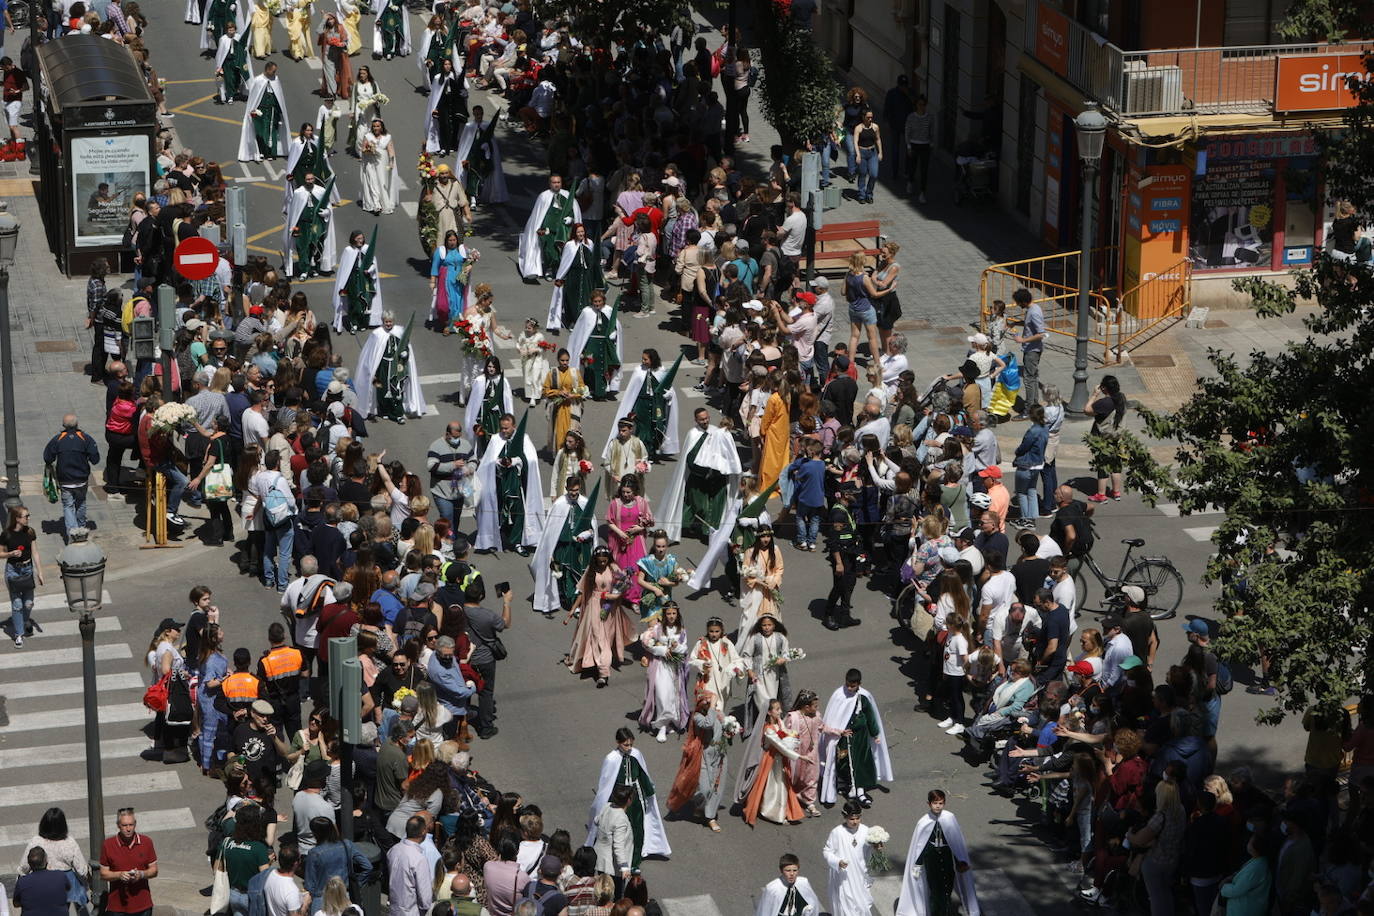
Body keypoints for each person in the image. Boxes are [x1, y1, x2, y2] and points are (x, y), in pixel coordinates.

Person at [585, 729, 672, 869]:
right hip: (619, 798)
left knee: (637, 829)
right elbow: (606, 781)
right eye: (626, 744)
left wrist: (649, 791)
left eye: (631, 744)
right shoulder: (611, 758)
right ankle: (620, 858)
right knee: (620, 830)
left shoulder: (636, 754)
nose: (629, 747)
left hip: (636, 798)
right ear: (618, 743)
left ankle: (635, 861)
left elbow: (643, 774)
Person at [659, 408, 741, 542]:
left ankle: (707, 530)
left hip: (714, 478)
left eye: (707, 418)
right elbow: (689, 458)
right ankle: (688, 525)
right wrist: (702, 472)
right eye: (702, 419)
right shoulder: (693, 434)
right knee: (698, 505)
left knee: (713, 506)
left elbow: (723, 452)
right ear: (696, 420)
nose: (705, 421)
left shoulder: (715, 431)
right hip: (698, 478)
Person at [895, 790, 979, 916]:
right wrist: (918, 863)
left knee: (946, 890)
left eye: (941, 803)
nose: (938, 806)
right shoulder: (923, 822)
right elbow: (921, 845)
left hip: (946, 859)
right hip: (932, 861)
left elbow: (955, 844)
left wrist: (959, 861)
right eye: (935, 803)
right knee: (935, 892)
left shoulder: (949, 818)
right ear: (929, 803)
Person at [819, 669, 892, 807]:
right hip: (844, 737)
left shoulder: (863, 696)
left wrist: (875, 733)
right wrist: (839, 732)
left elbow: (870, 716)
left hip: (860, 737)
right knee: (844, 760)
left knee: (860, 762)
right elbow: (834, 716)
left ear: (859, 684)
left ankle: (860, 790)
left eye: (853, 686)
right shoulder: (839, 695)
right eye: (847, 685)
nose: (849, 688)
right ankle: (844, 783)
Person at [473, 413, 543, 556]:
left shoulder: (523, 439)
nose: (503, 431)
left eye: (506, 428)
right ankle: (497, 537)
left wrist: (516, 461)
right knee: (499, 511)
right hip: (499, 483)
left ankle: (517, 542)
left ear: (514, 426)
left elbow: (531, 461)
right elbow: (487, 461)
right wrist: (498, 463)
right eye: (502, 428)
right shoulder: (495, 439)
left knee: (518, 513)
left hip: (517, 485)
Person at [565, 546, 635, 688]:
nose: (603, 564)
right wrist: (573, 609)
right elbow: (583, 592)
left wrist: (616, 595)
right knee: (599, 638)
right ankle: (603, 674)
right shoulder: (590, 571)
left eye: (605, 561)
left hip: (611, 608)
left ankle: (600, 662)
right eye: (600, 562)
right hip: (595, 606)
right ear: (595, 560)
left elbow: (624, 584)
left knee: (607, 638)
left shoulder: (613, 567)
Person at [667, 688, 731, 832]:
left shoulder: (718, 713)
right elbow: (707, 723)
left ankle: (710, 817)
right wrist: (713, 707)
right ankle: (698, 802)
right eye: (706, 701)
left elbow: (723, 728)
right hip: (704, 754)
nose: (709, 703)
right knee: (704, 787)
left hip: (719, 754)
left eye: (710, 700)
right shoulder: (697, 716)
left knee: (716, 787)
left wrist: (729, 731)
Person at [735, 697, 804, 825]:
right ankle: (772, 812)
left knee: (782, 784)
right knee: (774, 785)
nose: (780, 711)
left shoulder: (778, 722)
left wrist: (792, 735)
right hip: (771, 760)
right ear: (769, 712)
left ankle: (781, 810)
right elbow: (780, 745)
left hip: (780, 759)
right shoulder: (768, 729)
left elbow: (785, 733)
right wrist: (800, 757)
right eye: (777, 709)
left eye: (779, 708)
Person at [530, 477, 594, 616]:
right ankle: (570, 601)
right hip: (563, 547)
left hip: (579, 548)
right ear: (566, 489)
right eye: (571, 490)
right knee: (564, 576)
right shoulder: (559, 504)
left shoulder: (584, 503)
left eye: (576, 490)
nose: (574, 493)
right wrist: (550, 550)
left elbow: (591, 526)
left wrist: (587, 534)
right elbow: (550, 530)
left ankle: (576, 603)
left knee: (577, 576)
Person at [608, 349, 680, 462]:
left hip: (656, 405)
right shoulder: (639, 370)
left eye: (646, 359)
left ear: (653, 359)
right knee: (643, 430)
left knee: (654, 429)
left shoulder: (661, 371)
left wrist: (669, 394)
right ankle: (642, 454)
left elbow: (668, 387)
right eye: (642, 359)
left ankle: (651, 452)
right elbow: (632, 391)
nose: (643, 361)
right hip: (641, 404)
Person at [355, 311, 427, 423]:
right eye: (386, 322)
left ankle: (397, 414)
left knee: (396, 389)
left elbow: (405, 345)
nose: (388, 324)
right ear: (383, 321)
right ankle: (384, 411)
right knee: (382, 389)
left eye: (390, 321)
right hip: (383, 366)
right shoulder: (377, 334)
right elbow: (372, 352)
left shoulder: (399, 331)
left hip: (396, 366)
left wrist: (405, 353)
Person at [43, 414, 101, 539]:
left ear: (63, 425)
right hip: (81, 480)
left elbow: (47, 457)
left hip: (65, 480)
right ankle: (81, 528)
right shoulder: (86, 438)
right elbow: (95, 459)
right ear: (77, 424)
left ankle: (73, 534)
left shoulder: (58, 439)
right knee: (81, 503)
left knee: (68, 506)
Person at [519, 174, 582, 281]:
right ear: (550, 184)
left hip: (562, 230)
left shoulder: (567, 195)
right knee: (549, 250)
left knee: (561, 250)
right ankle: (548, 269)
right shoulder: (544, 196)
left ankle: (559, 269)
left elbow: (573, 211)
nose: (556, 185)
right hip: (547, 230)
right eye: (554, 182)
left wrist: (571, 219)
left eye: (558, 182)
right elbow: (538, 215)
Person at [822, 801, 878, 916]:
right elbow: (827, 851)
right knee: (846, 905)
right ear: (844, 817)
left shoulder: (866, 831)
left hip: (860, 874)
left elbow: (870, 850)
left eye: (857, 818)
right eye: (852, 819)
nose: (855, 822)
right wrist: (837, 862)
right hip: (844, 877)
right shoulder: (837, 832)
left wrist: (877, 847)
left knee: (860, 904)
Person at [99, 808, 159, 916]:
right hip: (117, 907)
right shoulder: (108, 845)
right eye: (124, 825)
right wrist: (119, 875)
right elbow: (103, 873)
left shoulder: (146, 842)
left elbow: (154, 870)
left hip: (143, 906)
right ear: (118, 825)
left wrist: (141, 874)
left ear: (135, 824)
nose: (128, 829)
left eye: (131, 825)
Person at [566, 290, 621, 403]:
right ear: (591, 301)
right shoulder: (587, 312)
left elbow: (615, 325)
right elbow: (580, 330)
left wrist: (613, 334)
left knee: (603, 367)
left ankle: (601, 391)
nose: (597, 304)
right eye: (595, 301)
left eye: (599, 301)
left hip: (605, 344)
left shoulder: (609, 310)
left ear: (603, 301)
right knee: (590, 367)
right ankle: (589, 389)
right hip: (591, 343)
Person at [548, 224, 604, 332]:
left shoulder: (589, 243)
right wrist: (560, 277)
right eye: (578, 232)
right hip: (573, 277)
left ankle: (585, 321)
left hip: (586, 277)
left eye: (582, 232)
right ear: (574, 233)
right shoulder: (570, 245)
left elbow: (593, 260)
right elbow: (565, 262)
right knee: (572, 300)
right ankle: (573, 321)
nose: (581, 234)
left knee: (585, 299)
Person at [1, 504, 42, 647]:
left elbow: (35, 552)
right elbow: (0, 553)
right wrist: (10, 554)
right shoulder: (6, 534)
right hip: (13, 571)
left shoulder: (30, 532)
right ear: (17, 519)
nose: (29, 518)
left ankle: (25, 620)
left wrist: (40, 572)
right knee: (17, 604)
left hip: (28, 570)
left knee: (28, 603)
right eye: (26, 516)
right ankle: (19, 634)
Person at [284, 172, 337, 279]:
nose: (310, 181)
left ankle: (313, 267)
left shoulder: (320, 191)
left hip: (316, 224)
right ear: (304, 180)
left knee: (316, 246)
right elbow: (294, 211)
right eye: (308, 179)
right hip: (303, 224)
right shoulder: (299, 192)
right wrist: (293, 226)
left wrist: (326, 212)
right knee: (303, 247)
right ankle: (304, 270)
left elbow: (327, 205)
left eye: (312, 179)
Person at [454, 104, 509, 206]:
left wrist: (487, 148)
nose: (479, 116)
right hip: (472, 155)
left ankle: (483, 195)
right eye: (477, 114)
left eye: (480, 114)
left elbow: (492, 142)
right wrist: (464, 157)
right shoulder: (469, 126)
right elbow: (464, 143)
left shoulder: (487, 126)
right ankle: (473, 198)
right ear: (474, 114)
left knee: (483, 176)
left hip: (484, 156)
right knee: (472, 175)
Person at [238, 62, 291, 161]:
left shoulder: (276, 79)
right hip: (261, 110)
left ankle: (271, 153)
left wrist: (279, 111)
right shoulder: (258, 80)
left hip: (272, 110)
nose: (275, 73)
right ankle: (262, 151)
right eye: (273, 71)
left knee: (272, 131)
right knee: (261, 132)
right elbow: (254, 97)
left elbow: (279, 96)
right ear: (267, 69)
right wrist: (253, 110)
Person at [334, 228, 383, 334]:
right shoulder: (349, 250)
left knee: (365, 301)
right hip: (353, 280)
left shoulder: (367, 249)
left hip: (365, 279)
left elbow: (373, 263)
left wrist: (370, 270)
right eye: (358, 238)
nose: (361, 240)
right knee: (354, 302)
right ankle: (353, 323)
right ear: (354, 239)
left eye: (362, 238)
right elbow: (345, 269)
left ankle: (362, 322)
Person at [466, 357, 514, 454]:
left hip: (498, 415)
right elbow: (474, 401)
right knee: (483, 437)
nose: (491, 369)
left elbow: (507, 400)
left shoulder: (502, 381)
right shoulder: (480, 381)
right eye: (489, 366)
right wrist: (476, 419)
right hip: (484, 415)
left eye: (493, 367)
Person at [590, 785, 632, 894]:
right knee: (614, 895)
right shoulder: (621, 819)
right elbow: (618, 845)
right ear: (628, 801)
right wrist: (624, 867)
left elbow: (596, 820)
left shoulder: (607, 806)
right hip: (612, 867)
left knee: (601, 891)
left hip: (600, 860)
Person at [539, 351, 583, 455]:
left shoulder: (574, 372)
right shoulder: (552, 373)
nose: (565, 363)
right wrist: (558, 393)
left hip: (572, 408)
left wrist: (572, 395)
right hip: (558, 408)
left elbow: (582, 389)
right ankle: (560, 455)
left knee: (573, 430)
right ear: (558, 360)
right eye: (562, 360)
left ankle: (572, 453)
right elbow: (545, 390)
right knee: (559, 433)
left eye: (567, 360)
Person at [387, 816, 432, 916]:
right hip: (411, 912)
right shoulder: (419, 859)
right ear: (423, 831)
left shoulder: (393, 850)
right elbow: (425, 899)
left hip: (394, 910)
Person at [755, 854, 821, 916]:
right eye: (788, 870)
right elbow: (765, 911)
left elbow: (812, 902)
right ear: (781, 871)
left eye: (795, 870)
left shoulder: (803, 883)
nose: (792, 874)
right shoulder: (772, 888)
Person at [358, 119, 399, 215]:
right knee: (372, 181)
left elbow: (391, 151)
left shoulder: (387, 137)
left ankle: (382, 202)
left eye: (378, 126)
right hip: (370, 162)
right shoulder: (368, 136)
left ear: (382, 127)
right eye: (374, 126)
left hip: (382, 163)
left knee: (381, 182)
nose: (376, 128)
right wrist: (369, 149)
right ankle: (376, 205)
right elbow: (363, 149)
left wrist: (391, 163)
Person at [14, 847, 69, 916]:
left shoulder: (22, 882)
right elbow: (67, 889)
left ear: (29, 864)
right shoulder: (60, 875)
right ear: (46, 861)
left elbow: (16, 904)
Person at [214, 21, 252, 104]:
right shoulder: (223, 39)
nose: (231, 32)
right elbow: (220, 53)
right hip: (228, 62)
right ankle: (230, 96)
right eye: (230, 30)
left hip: (237, 62)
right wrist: (219, 66)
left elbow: (242, 48)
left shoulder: (238, 37)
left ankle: (237, 92)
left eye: (233, 30)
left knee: (237, 78)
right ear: (227, 30)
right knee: (229, 79)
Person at [851, 109, 883, 205]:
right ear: (863, 117)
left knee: (874, 174)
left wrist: (880, 152)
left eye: (871, 117)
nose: (870, 119)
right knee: (862, 174)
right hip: (862, 152)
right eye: (868, 117)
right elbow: (855, 142)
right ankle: (861, 195)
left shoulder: (875, 127)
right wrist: (858, 155)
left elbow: (878, 139)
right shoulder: (859, 128)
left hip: (872, 152)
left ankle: (869, 194)